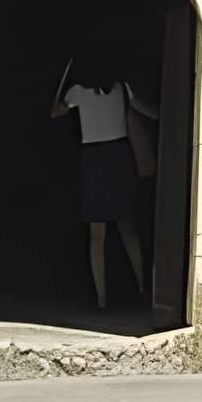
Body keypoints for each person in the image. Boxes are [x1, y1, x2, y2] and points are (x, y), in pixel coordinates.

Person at [50, 50, 159, 310]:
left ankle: (101, 300)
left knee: (96, 235)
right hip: (118, 157)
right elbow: (148, 111)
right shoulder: (122, 89)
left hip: (94, 159)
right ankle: (143, 289)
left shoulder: (76, 92)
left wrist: (59, 91)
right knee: (127, 227)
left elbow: (55, 113)